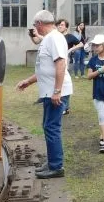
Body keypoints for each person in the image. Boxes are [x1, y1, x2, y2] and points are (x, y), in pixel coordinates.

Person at [16, 10, 73, 179]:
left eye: (35, 25)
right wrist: (28, 81)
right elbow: (44, 68)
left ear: (40, 24)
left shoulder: (54, 38)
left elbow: (61, 64)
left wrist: (57, 91)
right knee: (48, 126)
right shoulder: (49, 39)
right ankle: (53, 162)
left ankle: (56, 166)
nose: (35, 28)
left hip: (55, 92)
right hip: (50, 91)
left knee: (52, 127)